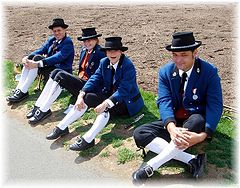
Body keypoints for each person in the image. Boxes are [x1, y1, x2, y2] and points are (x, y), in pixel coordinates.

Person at [132, 31, 223, 184]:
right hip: (174, 121)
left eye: (184, 54)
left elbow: (215, 105)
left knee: (194, 122)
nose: (178, 60)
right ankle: (192, 159)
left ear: (195, 52)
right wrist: (171, 128)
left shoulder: (209, 72)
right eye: (175, 55)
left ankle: (151, 166)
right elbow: (164, 100)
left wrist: (203, 135)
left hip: (195, 120)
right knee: (139, 133)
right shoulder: (165, 72)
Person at [46, 37, 144, 151]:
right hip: (109, 95)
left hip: (126, 103)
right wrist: (81, 95)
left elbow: (124, 90)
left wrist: (105, 103)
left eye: (116, 50)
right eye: (109, 51)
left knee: (105, 108)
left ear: (121, 52)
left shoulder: (128, 66)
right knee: (87, 98)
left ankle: (88, 139)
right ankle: (62, 127)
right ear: (106, 52)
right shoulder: (104, 62)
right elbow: (94, 78)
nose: (112, 53)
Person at [27, 27, 105, 125]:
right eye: (84, 41)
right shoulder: (84, 50)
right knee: (56, 72)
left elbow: (99, 77)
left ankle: (44, 109)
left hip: (90, 87)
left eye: (89, 40)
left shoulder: (100, 53)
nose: (87, 43)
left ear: (96, 40)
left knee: (61, 75)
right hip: (82, 82)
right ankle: (38, 106)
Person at [6, 18, 74, 104]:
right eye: (54, 31)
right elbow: (41, 50)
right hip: (50, 68)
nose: (57, 33)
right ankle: (19, 89)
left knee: (37, 59)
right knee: (32, 58)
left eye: (59, 30)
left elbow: (58, 57)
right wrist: (27, 57)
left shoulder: (68, 42)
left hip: (61, 71)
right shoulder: (52, 40)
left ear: (64, 29)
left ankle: (23, 91)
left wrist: (39, 63)